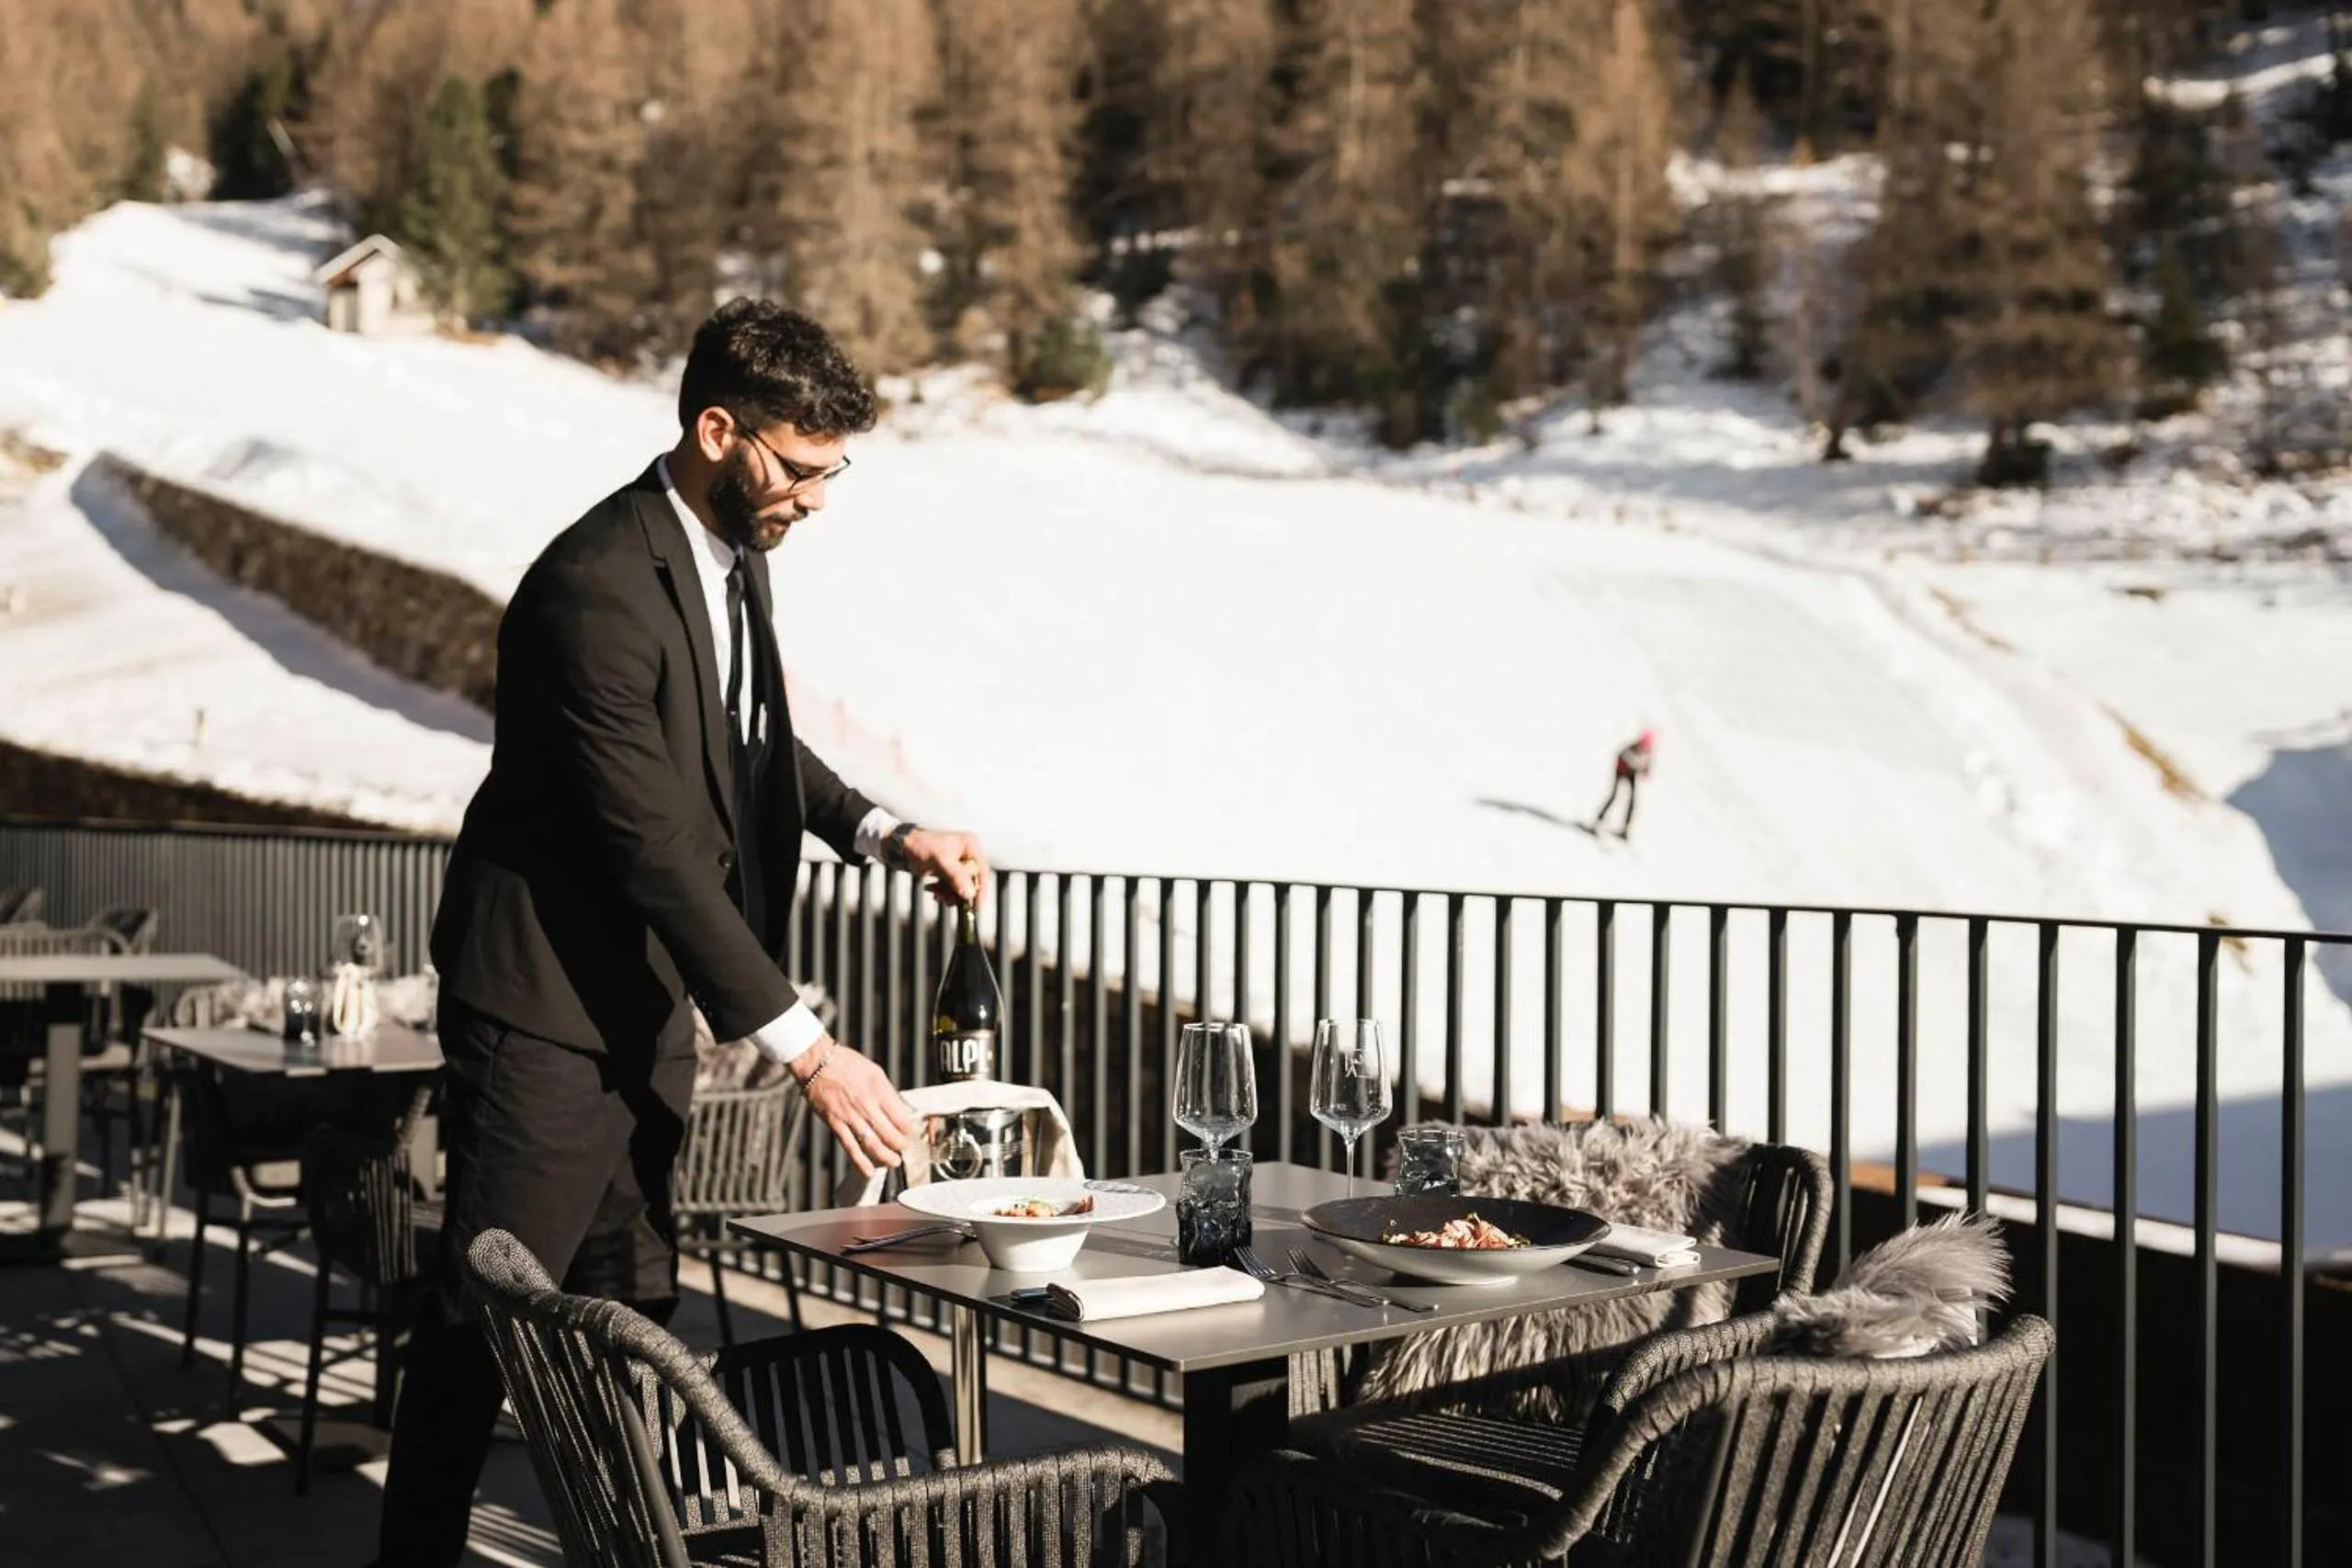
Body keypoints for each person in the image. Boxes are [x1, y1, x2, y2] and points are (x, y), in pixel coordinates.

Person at [374, 299, 988, 1568]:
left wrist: (885, 830)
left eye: (836, 470)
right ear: (720, 429)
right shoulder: (592, 590)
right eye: (805, 468)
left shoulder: (729, 553)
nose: (819, 499)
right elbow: (650, 841)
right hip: (540, 1015)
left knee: (634, 1326)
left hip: (644, 1015)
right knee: (485, 1332)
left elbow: (754, 740)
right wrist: (813, 1052)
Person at [1592, 728, 1656, 840]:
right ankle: (1600, 818)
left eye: (1646, 745)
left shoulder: (1647, 754)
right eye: (1643, 744)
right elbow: (1620, 756)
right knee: (1614, 795)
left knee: (1632, 801)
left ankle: (1626, 828)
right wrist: (1628, 764)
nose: (1644, 747)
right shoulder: (1631, 748)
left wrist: (1644, 771)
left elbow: (1646, 768)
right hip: (1622, 772)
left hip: (1632, 774)